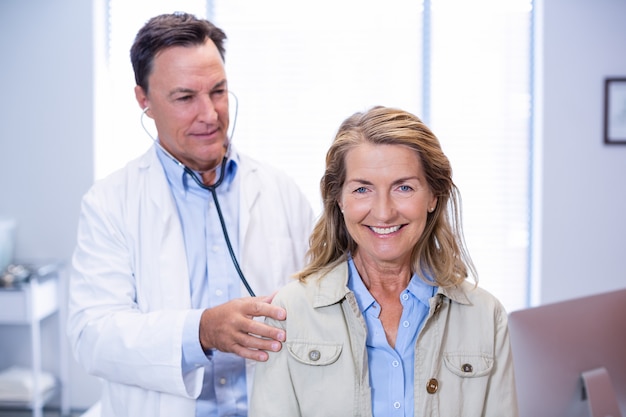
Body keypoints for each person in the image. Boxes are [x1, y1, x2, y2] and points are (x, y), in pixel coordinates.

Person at [67, 12, 314, 417]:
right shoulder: (110, 203)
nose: (210, 114)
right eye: (185, 97)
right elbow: (92, 336)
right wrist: (200, 331)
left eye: (218, 91)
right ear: (143, 100)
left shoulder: (280, 191)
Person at [250, 106, 519, 416]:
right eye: (362, 189)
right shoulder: (291, 312)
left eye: (403, 187)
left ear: (433, 195)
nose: (383, 212)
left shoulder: (486, 317)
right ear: (339, 199)